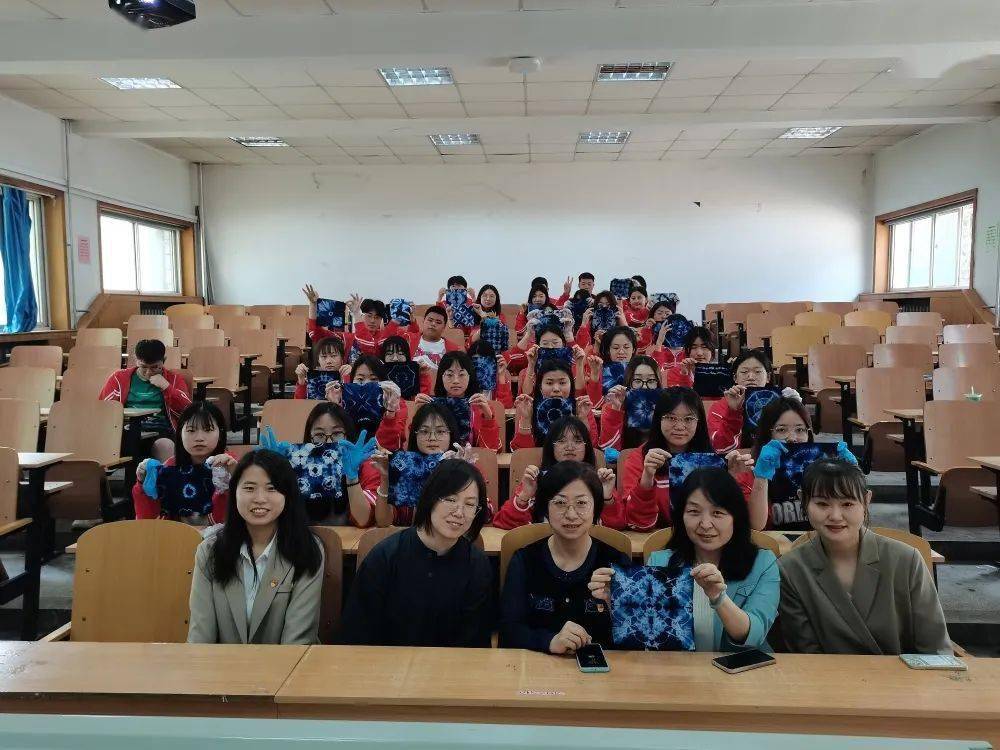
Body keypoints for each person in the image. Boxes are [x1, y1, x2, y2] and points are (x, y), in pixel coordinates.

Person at [590, 468, 779, 652]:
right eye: (694, 512)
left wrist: (718, 598)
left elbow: (755, 635)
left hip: (740, 672)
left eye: (717, 513)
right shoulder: (660, 562)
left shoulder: (763, 564)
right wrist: (618, 601)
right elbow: (647, 637)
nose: (705, 524)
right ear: (681, 516)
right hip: (677, 670)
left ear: (736, 517)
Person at [779, 459, 952, 655]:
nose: (835, 516)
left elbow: (935, 647)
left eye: (847, 503)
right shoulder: (790, 569)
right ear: (803, 500)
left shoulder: (906, 560)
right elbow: (806, 654)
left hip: (904, 674)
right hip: (825, 674)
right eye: (822, 504)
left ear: (866, 500)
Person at [340, 459, 493, 647]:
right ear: (431, 498)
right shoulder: (385, 557)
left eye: (470, 504)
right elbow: (356, 634)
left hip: (453, 665)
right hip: (385, 662)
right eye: (450, 500)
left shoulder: (477, 565)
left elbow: (476, 644)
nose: (459, 512)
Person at [187, 449, 324, 645]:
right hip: (221, 663)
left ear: (288, 495)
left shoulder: (306, 550)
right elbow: (200, 637)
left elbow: (297, 641)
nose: (260, 498)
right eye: (249, 488)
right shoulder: (210, 552)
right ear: (235, 493)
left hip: (288, 663)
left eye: (272, 488)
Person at [500, 462, 630, 653]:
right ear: (545, 508)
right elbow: (508, 633)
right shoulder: (525, 560)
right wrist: (549, 641)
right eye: (560, 503)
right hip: (538, 668)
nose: (571, 515)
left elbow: (636, 642)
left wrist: (616, 608)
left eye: (581, 503)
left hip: (605, 670)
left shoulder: (615, 563)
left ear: (596, 507)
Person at [621, 387, 754, 531]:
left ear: (699, 422)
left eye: (689, 419)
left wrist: (731, 479)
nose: (679, 426)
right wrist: (647, 478)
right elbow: (639, 523)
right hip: (657, 539)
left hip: (705, 537)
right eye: (671, 418)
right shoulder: (640, 459)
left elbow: (735, 521)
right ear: (658, 419)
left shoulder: (712, 458)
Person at [495, 415, 623, 529]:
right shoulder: (537, 479)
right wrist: (524, 496)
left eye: (577, 441)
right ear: (551, 446)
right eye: (561, 441)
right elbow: (503, 521)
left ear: (587, 446)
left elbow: (618, 525)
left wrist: (607, 498)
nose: (569, 447)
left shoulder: (599, 480)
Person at [748, 395, 855, 531]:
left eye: (800, 430)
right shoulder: (752, 470)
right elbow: (756, 526)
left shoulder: (824, 467)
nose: (792, 438)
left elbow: (851, 518)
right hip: (776, 542)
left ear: (808, 434)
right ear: (767, 434)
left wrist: (853, 474)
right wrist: (761, 479)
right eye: (781, 430)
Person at [133, 401, 236, 523]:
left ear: (221, 433)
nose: (199, 438)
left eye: (208, 429)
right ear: (180, 433)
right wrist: (143, 484)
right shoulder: (170, 467)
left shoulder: (231, 466)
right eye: (191, 430)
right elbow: (147, 521)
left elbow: (234, 518)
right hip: (177, 533)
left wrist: (232, 479)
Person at [99, 338, 192, 461]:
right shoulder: (119, 378)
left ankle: (166, 473)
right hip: (124, 430)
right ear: (136, 360)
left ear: (163, 361)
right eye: (143, 367)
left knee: (165, 447)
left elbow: (188, 411)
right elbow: (104, 409)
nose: (148, 372)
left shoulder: (174, 379)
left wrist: (167, 387)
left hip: (160, 431)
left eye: (154, 367)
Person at [298, 402, 381, 526]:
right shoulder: (299, 466)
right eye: (319, 435)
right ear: (309, 438)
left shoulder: (366, 466)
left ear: (348, 435)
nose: (329, 442)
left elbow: (363, 520)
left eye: (337, 433)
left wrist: (352, 478)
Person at [413, 351, 502, 452]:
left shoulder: (480, 407)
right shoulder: (430, 405)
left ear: (469, 376)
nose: (456, 381)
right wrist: (417, 415)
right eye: (450, 375)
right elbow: (415, 446)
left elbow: (491, 451)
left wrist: (488, 418)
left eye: (461, 375)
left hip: (470, 460)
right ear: (441, 377)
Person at [511, 360, 596, 451]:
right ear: (540, 387)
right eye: (549, 383)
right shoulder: (529, 408)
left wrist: (582, 419)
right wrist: (526, 419)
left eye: (562, 383)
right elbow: (520, 453)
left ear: (571, 385)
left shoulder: (581, 408)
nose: (556, 389)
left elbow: (591, 449)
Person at [707, 348, 775, 452]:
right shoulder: (719, 407)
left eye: (757, 371)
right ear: (735, 378)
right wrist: (733, 411)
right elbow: (720, 448)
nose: (750, 377)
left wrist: (795, 405)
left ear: (768, 377)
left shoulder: (779, 403)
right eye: (744, 372)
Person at [598, 355, 662, 450]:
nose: (644, 386)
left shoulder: (667, 407)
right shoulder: (612, 407)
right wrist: (616, 409)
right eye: (637, 380)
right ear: (628, 383)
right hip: (625, 458)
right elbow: (608, 450)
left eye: (651, 380)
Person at [407, 305, 462, 394]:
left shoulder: (454, 350)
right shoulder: (408, 340)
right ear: (423, 321)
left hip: (439, 393)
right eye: (430, 320)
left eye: (438, 322)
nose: (433, 324)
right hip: (411, 391)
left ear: (444, 327)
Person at [585, 325, 637, 406]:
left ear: (633, 349)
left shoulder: (641, 368)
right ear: (608, 350)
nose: (621, 352)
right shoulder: (599, 369)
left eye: (626, 347)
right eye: (616, 348)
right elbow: (593, 403)